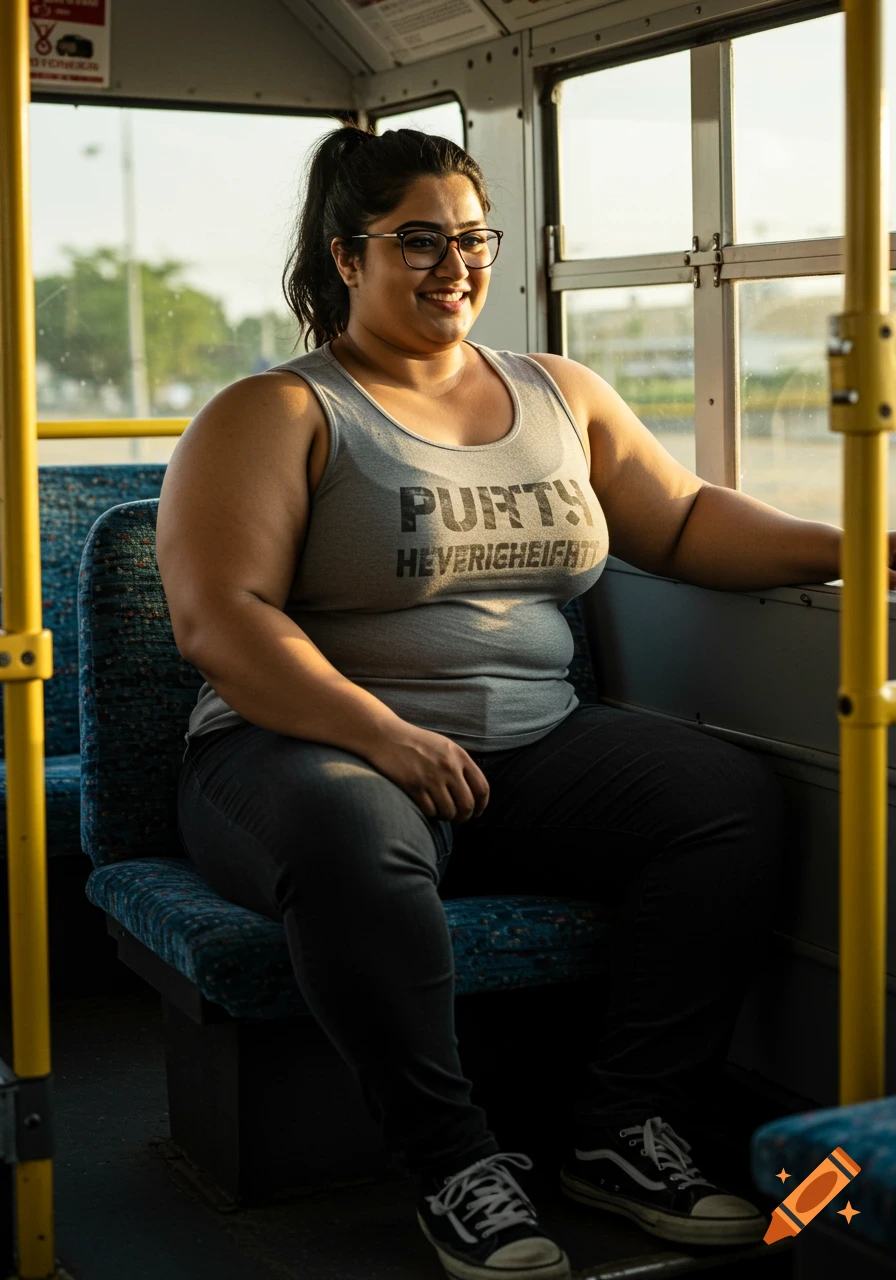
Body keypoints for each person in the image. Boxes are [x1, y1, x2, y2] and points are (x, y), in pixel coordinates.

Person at [157, 124, 877, 1280]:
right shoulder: (278, 412)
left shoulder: (558, 393)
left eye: (473, 237)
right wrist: (379, 731)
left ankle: (621, 1128)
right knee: (354, 829)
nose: (456, 265)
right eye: (419, 240)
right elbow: (223, 620)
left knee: (723, 800)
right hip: (298, 742)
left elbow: (682, 519)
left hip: (528, 741)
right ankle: (452, 1161)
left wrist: (857, 548)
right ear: (347, 256)